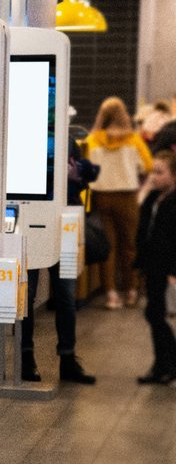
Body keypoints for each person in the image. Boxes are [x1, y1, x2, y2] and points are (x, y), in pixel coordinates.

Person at [20, 136, 97, 384]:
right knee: (26, 296)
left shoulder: (67, 139)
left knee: (66, 297)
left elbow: (85, 179)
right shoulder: (22, 139)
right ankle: (25, 357)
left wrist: (75, 177)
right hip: (29, 224)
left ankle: (67, 358)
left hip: (64, 226)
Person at [85, 97, 153, 309]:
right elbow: (147, 166)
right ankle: (131, 291)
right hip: (127, 197)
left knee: (109, 247)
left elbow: (86, 168)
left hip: (101, 197)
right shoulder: (133, 139)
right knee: (129, 245)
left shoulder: (93, 139)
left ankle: (111, 295)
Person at [133, 149, 176, 386]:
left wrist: (172, 272)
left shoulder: (173, 202)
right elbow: (143, 226)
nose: (154, 177)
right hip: (151, 266)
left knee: (156, 315)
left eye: (160, 172)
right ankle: (163, 365)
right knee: (154, 314)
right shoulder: (153, 198)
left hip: (165, 268)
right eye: (153, 172)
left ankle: (166, 365)